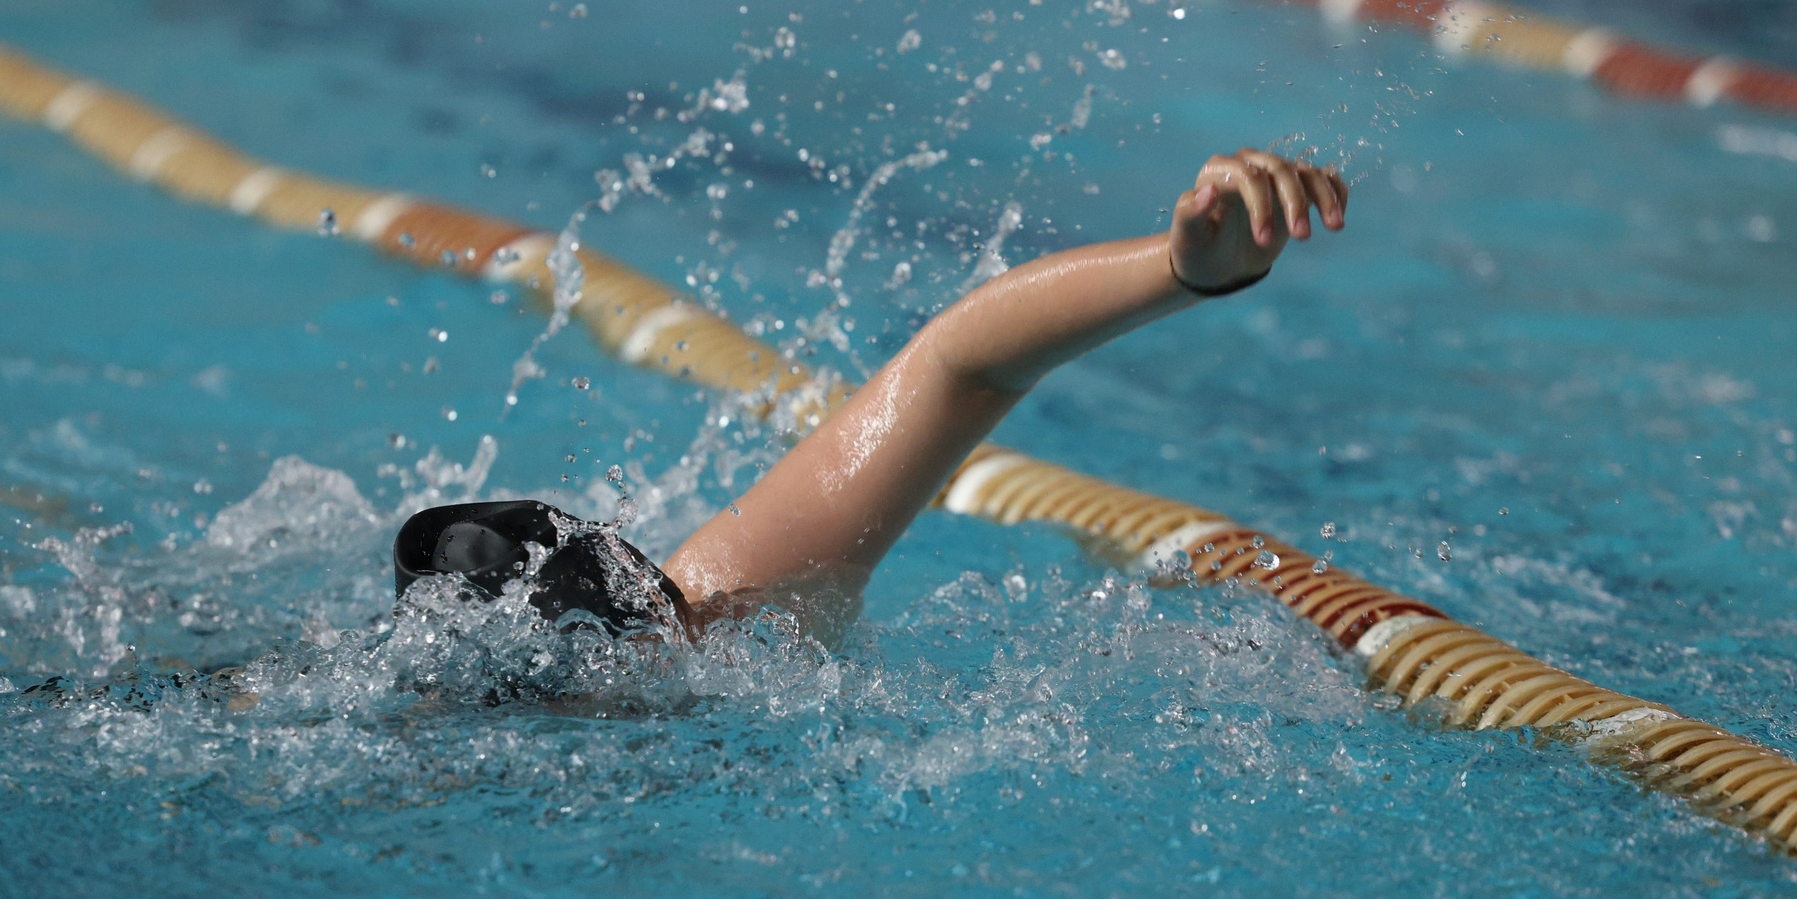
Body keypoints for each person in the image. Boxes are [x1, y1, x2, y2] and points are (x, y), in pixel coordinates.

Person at [393, 148, 1348, 644]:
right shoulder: (682, 663)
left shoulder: (722, 618)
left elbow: (957, 367)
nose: (704, 629)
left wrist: (1185, 271)